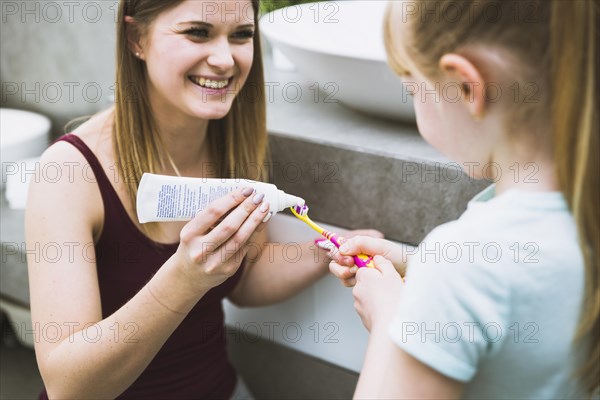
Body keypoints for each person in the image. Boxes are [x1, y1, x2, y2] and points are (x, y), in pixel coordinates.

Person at [25, 1, 380, 398]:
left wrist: (328, 250)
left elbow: (242, 281)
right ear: (135, 38)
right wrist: (183, 280)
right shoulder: (69, 174)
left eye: (242, 35)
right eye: (197, 32)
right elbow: (69, 388)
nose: (225, 59)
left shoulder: (230, 143)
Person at [330, 0, 598, 398]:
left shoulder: (460, 263)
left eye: (413, 90)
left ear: (467, 87)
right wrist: (417, 266)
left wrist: (391, 317)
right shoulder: (578, 216)